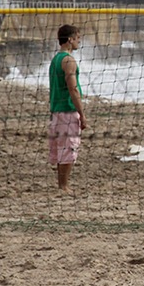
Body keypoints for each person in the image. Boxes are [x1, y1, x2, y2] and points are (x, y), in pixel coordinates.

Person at [48, 24, 88, 193]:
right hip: (67, 109)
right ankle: (64, 186)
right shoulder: (69, 60)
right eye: (77, 38)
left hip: (56, 109)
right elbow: (73, 89)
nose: (79, 41)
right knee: (69, 148)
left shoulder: (55, 59)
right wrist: (82, 113)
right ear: (70, 40)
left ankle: (61, 184)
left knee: (61, 147)